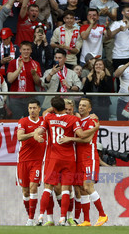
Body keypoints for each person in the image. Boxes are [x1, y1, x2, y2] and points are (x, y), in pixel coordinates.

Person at [34, 96, 94, 226]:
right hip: (68, 158)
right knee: (67, 189)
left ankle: (40, 217)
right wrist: (96, 127)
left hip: (53, 157)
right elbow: (82, 135)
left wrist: (37, 136)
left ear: (54, 108)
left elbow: (40, 128)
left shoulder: (49, 118)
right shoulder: (74, 119)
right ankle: (62, 218)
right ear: (64, 108)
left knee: (48, 188)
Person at [59, 98, 107, 227]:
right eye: (80, 105)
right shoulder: (78, 120)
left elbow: (87, 140)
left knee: (88, 186)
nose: (81, 107)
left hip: (89, 157)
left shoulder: (92, 120)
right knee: (81, 189)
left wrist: (69, 138)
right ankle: (86, 220)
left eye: (84, 106)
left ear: (89, 109)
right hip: (78, 159)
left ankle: (102, 214)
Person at [16, 99, 46, 226]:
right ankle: (30, 216)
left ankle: (31, 219)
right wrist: (33, 134)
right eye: (30, 108)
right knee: (25, 191)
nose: (32, 110)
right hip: (23, 160)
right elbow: (19, 137)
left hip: (37, 161)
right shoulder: (23, 121)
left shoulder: (44, 123)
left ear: (39, 109)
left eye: (34, 108)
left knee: (34, 187)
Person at [7, 41, 42, 118]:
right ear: (20, 50)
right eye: (24, 49)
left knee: (31, 121)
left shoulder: (35, 64)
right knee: (15, 121)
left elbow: (38, 83)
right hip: (15, 98)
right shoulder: (13, 63)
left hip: (30, 98)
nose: (26, 51)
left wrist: (34, 74)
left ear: (31, 50)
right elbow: (10, 79)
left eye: (28, 49)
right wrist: (19, 68)